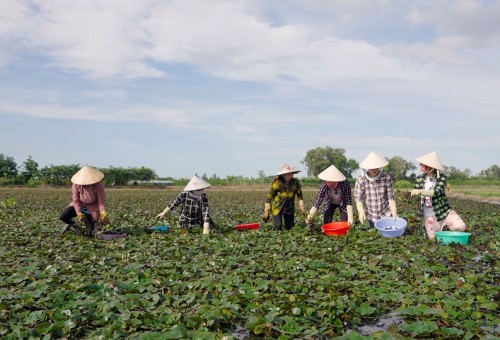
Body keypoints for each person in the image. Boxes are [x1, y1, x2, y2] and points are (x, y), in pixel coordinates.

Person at [411, 151, 467, 239]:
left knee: (460, 226)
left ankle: (449, 235)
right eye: (421, 164)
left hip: (443, 212)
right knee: (433, 239)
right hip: (428, 214)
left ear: (431, 167)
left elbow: (436, 192)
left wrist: (420, 191)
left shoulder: (441, 178)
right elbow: (416, 193)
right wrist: (412, 194)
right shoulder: (419, 179)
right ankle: (443, 236)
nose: (421, 166)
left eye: (423, 164)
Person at [60, 165, 107, 236]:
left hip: (92, 207)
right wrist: (79, 214)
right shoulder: (76, 185)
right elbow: (76, 201)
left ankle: (93, 225)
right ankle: (73, 225)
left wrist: (102, 213)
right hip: (79, 204)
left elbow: (101, 202)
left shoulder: (98, 185)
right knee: (63, 216)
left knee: (89, 233)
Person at [354, 152, 397, 228]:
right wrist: (361, 211)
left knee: (387, 235)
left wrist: (394, 211)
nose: (374, 169)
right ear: (368, 167)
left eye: (376, 167)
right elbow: (358, 198)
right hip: (371, 215)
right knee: (375, 234)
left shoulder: (386, 178)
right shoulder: (361, 180)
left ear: (379, 167)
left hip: (385, 213)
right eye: (371, 167)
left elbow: (390, 197)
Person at [306, 165, 353, 229]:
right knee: (327, 222)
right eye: (329, 181)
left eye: (333, 182)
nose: (331, 183)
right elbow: (318, 200)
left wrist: (350, 218)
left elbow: (348, 201)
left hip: (343, 203)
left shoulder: (345, 184)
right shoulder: (324, 185)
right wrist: (310, 215)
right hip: (330, 203)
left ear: (337, 180)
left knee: (344, 223)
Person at [263, 163, 305, 230]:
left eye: (291, 173)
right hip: (277, 207)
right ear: (283, 174)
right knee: (278, 227)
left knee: (290, 227)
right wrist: (266, 211)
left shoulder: (295, 182)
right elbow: (269, 197)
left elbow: (300, 196)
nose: (290, 175)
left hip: (289, 207)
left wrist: (302, 208)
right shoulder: (276, 182)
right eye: (288, 174)